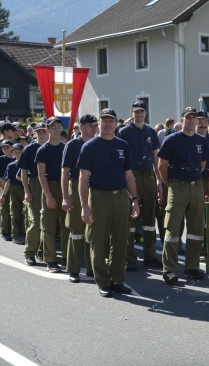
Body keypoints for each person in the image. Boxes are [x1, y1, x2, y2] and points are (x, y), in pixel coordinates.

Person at [78, 108, 140, 298]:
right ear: (98, 125)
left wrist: (135, 200)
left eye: (110, 121)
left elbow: (129, 175)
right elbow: (83, 178)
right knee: (98, 241)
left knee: (121, 241)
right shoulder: (89, 147)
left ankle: (117, 281)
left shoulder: (123, 145)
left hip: (121, 196)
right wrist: (84, 206)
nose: (107, 124)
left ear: (115, 123)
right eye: (103, 121)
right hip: (99, 197)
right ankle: (103, 282)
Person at [157, 106, 208, 284]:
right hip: (177, 186)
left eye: (195, 118)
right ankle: (169, 270)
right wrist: (170, 183)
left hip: (196, 187)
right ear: (182, 119)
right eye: (188, 118)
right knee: (172, 229)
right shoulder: (172, 140)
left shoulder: (201, 141)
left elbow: (202, 164)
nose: (192, 121)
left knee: (195, 230)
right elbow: (162, 165)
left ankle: (191, 267)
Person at [117, 101, 163, 272]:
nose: (139, 115)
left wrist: (158, 181)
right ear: (131, 113)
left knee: (150, 220)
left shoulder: (151, 132)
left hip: (148, 176)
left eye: (142, 112)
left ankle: (150, 256)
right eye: (136, 112)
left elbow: (156, 158)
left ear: (145, 113)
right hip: (132, 176)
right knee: (131, 218)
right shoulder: (124, 133)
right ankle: (130, 258)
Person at [61, 114, 98, 283]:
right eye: (90, 125)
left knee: (93, 230)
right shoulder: (72, 145)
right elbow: (65, 172)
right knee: (76, 231)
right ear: (81, 126)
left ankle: (92, 268)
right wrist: (65, 197)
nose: (94, 128)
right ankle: (74, 270)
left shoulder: (99, 143)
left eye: (95, 125)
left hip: (96, 188)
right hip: (76, 186)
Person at [36, 117, 69, 273]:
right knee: (49, 227)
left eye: (59, 127)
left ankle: (66, 258)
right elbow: (41, 175)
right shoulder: (43, 150)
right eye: (53, 127)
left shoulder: (66, 147)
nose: (56, 130)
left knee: (66, 226)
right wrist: (49, 196)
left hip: (65, 188)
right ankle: (50, 260)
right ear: (47, 130)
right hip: (50, 188)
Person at [19, 122, 48, 266]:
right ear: (34, 134)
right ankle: (30, 253)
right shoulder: (29, 149)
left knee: (48, 222)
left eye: (44, 132)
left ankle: (43, 252)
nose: (42, 134)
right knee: (35, 221)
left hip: (50, 183)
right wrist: (26, 190)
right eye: (39, 132)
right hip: (35, 184)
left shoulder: (52, 147)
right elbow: (23, 172)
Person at [0, 143, 25, 244]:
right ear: (12, 153)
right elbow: (8, 181)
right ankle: (16, 234)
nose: (18, 153)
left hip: (25, 189)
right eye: (15, 152)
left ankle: (25, 233)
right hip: (14, 189)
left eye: (20, 151)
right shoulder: (11, 165)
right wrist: (4, 195)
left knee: (26, 212)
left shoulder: (28, 163)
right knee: (15, 212)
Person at [0, 140, 16, 241]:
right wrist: (1, 180)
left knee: (15, 210)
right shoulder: (0, 159)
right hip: (3, 186)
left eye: (7, 147)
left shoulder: (17, 158)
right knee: (5, 209)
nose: (5, 149)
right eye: (3, 148)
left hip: (16, 187)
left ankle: (14, 231)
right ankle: (5, 231)